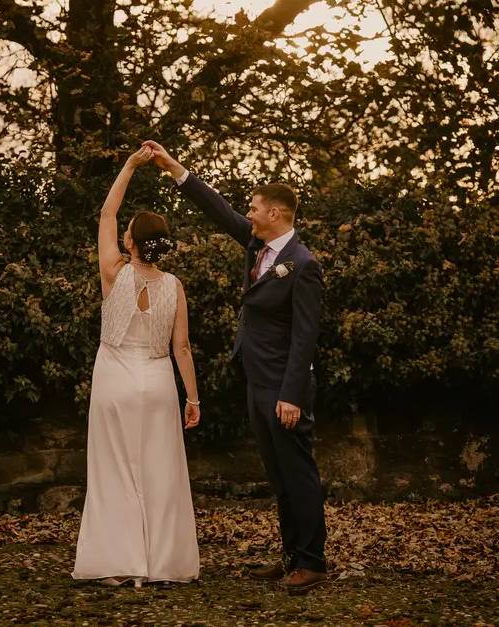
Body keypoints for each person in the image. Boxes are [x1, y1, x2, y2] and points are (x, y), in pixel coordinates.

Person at [142, 140, 328, 594]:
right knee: (277, 474)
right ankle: (289, 557)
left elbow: (305, 336)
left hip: (284, 388)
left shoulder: (303, 265)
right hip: (257, 380)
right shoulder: (257, 243)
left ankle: (312, 561)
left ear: (278, 214)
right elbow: (217, 208)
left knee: (298, 474)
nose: (249, 213)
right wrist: (172, 166)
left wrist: (290, 395)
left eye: (256, 207)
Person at [71, 146, 201, 588]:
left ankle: (119, 564)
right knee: (161, 472)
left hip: (114, 379)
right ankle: (165, 565)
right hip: (160, 381)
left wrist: (129, 165)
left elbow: (107, 214)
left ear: (130, 242)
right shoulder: (175, 286)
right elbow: (181, 347)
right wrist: (194, 398)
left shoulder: (113, 271)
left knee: (114, 471)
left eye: (126, 231)